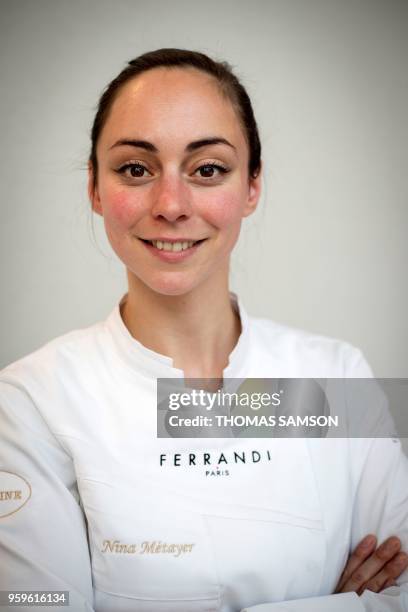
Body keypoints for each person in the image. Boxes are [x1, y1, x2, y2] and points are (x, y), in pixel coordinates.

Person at [0, 48, 407, 612]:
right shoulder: (28, 402)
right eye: (135, 169)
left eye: (208, 169)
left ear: (252, 186)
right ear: (95, 188)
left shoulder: (337, 376)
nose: (171, 204)